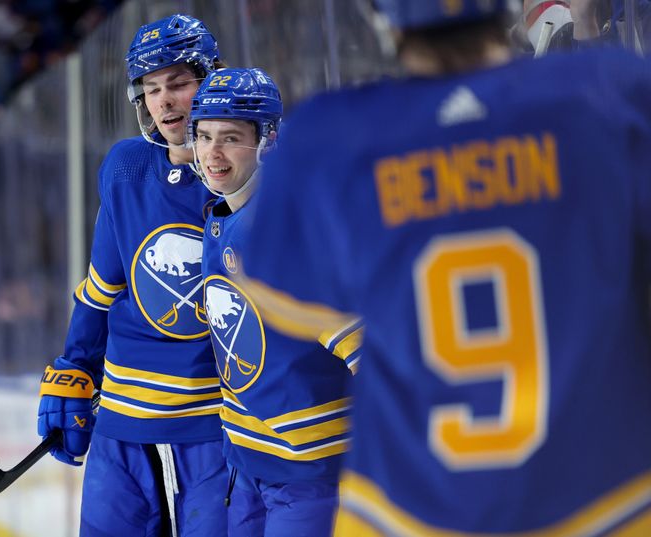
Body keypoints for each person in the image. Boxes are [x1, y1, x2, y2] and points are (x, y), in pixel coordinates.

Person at [238, 0, 651, 535]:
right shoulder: (610, 93)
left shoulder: (328, 137)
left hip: (404, 511)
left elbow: (285, 299)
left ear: (379, 15)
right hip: (607, 498)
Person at [36, 14, 229, 537]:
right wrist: (77, 365)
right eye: (151, 89)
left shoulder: (243, 174)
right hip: (123, 415)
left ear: (211, 79)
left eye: (179, 84)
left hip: (216, 420)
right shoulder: (125, 166)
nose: (164, 101)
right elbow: (102, 286)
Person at [190, 68, 362, 536]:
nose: (212, 153)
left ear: (268, 139)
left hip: (310, 473)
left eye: (230, 138)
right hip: (249, 463)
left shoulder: (289, 228)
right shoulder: (224, 215)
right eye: (203, 136)